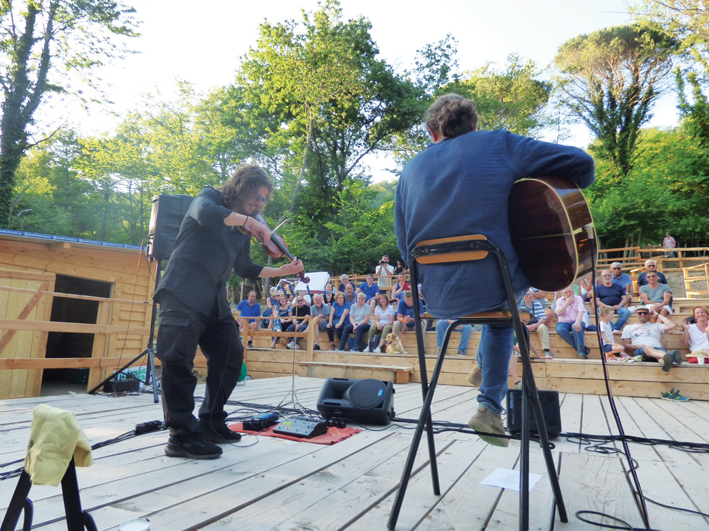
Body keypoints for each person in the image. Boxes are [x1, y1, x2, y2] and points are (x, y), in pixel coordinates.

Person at [394, 94, 594, 446]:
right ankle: (488, 406)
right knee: (505, 313)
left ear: (431, 132)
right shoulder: (496, 143)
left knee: (501, 304)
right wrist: (535, 195)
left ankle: (484, 367)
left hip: (436, 296)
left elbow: (402, 242)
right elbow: (581, 163)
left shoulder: (409, 170)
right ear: (475, 125)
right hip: (494, 285)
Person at [154, 164, 304, 460]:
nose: (260, 205)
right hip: (183, 290)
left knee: (230, 357)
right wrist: (250, 221)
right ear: (242, 187)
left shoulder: (242, 229)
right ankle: (181, 435)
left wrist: (283, 269)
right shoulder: (210, 197)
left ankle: (210, 420)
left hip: (213, 298)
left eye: (264, 201)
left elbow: (244, 267)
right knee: (178, 361)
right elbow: (204, 214)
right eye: (257, 197)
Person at [621, 308, 680, 372]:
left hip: (658, 349)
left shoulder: (656, 326)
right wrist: (638, 346)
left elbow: (672, 325)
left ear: (649, 314)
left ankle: (667, 360)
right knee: (647, 348)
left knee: (662, 360)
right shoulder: (629, 327)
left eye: (645, 313)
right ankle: (670, 356)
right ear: (636, 314)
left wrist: (658, 315)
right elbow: (626, 345)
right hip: (641, 350)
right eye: (640, 313)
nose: (642, 315)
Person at [555, 286, 591, 359]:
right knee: (560, 330)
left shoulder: (578, 298)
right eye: (566, 292)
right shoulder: (559, 300)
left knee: (577, 327)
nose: (568, 294)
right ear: (563, 294)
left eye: (570, 292)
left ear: (573, 292)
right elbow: (559, 313)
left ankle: (582, 353)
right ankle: (581, 348)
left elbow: (581, 311)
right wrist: (567, 303)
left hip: (576, 320)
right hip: (563, 322)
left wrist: (577, 322)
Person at [520, 290, 552, 359]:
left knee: (543, 327)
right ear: (523, 297)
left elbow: (543, 318)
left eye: (531, 295)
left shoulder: (537, 303)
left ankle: (546, 350)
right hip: (523, 325)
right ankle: (519, 351)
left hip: (536, 323)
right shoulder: (519, 304)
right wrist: (525, 326)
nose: (529, 297)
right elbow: (518, 318)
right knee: (519, 329)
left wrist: (536, 325)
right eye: (527, 295)